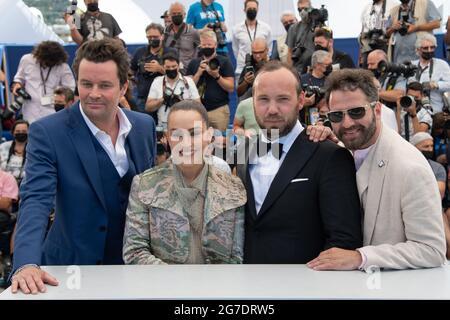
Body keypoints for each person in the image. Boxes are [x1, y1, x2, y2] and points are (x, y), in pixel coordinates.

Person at [10, 39, 157, 295]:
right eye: (86, 84)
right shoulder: (48, 132)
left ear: (123, 87)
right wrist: (26, 263)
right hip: (70, 270)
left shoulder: (144, 126)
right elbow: (35, 200)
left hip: (132, 269)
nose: (94, 93)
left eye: (105, 85)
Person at [308, 69, 446, 271]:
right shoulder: (339, 149)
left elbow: (431, 250)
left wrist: (361, 257)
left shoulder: (410, 168)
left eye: (357, 111)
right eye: (337, 115)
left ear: (378, 110)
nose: (347, 123)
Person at [235, 61, 363, 264]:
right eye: (263, 100)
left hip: (305, 287)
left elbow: (343, 239)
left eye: (283, 99)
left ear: (301, 99)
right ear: (252, 103)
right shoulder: (243, 151)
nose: (272, 109)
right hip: (249, 284)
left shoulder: (329, 155)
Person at [123, 100, 246, 264]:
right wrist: (178, 283)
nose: (186, 142)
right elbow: (134, 252)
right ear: (166, 139)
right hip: (163, 287)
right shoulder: (145, 185)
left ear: (209, 135)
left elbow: (236, 257)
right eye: (177, 135)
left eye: (194, 133)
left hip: (218, 287)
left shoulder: (233, 188)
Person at [11, 41, 76, 123]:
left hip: (52, 111)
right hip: (30, 111)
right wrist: (17, 84)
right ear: (39, 56)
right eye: (45, 62)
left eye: (52, 63)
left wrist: (60, 97)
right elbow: (18, 78)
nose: (47, 64)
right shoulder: (26, 60)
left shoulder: (63, 66)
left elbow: (71, 88)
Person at [186, 30, 234, 132]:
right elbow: (187, 88)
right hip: (198, 111)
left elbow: (230, 87)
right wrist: (198, 73)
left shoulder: (224, 61)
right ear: (200, 45)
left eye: (209, 44)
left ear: (215, 45)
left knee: (220, 144)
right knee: (199, 142)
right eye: (204, 44)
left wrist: (216, 76)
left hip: (218, 110)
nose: (207, 47)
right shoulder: (194, 63)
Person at [130, 23, 177, 114]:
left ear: (162, 36)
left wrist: (160, 69)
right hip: (143, 98)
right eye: (149, 37)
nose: (152, 39)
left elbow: (178, 75)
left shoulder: (171, 52)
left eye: (155, 37)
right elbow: (131, 70)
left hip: (165, 98)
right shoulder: (140, 52)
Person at [146, 53, 200, 130]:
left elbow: (199, 105)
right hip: (165, 126)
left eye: (174, 66)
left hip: (186, 124)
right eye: (168, 67)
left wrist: (183, 103)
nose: (171, 69)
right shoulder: (157, 82)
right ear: (163, 67)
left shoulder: (188, 81)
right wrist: (162, 100)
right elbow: (148, 107)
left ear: (179, 66)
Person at [410, 33, 450, 114]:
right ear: (418, 49)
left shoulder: (442, 64)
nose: (429, 50)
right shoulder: (411, 65)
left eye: (432, 47)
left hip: (436, 111)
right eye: (425, 48)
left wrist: (436, 85)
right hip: (414, 110)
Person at [231, 0, 272, 79]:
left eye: (254, 8)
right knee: (241, 91)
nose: (252, 10)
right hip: (242, 68)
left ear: (258, 9)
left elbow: (269, 48)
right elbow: (235, 49)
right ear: (244, 9)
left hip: (262, 69)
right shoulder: (236, 29)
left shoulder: (266, 28)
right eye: (249, 8)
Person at [163, 2, 200, 74]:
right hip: (169, 73)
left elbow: (200, 49)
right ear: (169, 16)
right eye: (174, 14)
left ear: (184, 15)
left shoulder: (193, 32)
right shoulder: (165, 32)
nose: (177, 16)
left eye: (179, 13)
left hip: (188, 73)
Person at [410, 132, 446, 198]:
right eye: (426, 146)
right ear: (414, 148)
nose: (430, 149)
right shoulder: (406, 166)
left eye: (432, 146)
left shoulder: (438, 167)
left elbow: (440, 193)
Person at [286, 0, 316, 74]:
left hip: (316, 68)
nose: (302, 11)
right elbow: (290, 52)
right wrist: (289, 71)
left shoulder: (319, 26)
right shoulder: (293, 28)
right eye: (299, 9)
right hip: (298, 69)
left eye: (305, 9)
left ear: (311, 9)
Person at [358, 0, 389, 68]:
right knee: (366, 73)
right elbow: (362, 33)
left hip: (385, 47)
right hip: (367, 48)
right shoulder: (367, 8)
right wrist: (360, 54)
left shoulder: (393, 5)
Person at [0, 120, 29, 185]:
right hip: (4, 186)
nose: (21, 133)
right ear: (13, 133)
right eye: (18, 131)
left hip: (26, 186)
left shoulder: (34, 150)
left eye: (24, 131)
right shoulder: (2, 147)